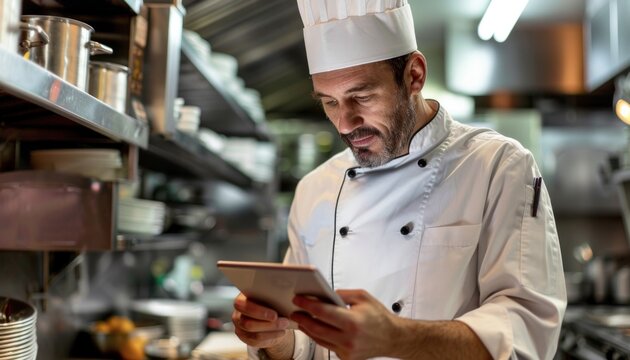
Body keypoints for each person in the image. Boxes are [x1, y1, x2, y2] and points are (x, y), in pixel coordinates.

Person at [231, 1, 567, 359]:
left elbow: (527, 332)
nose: (345, 123)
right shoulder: (315, 189)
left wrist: (399, 338)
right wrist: (274, 338)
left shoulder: (498, 166)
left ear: (414, 76)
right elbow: (305, 339)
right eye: (329, 102)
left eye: (361, 96)